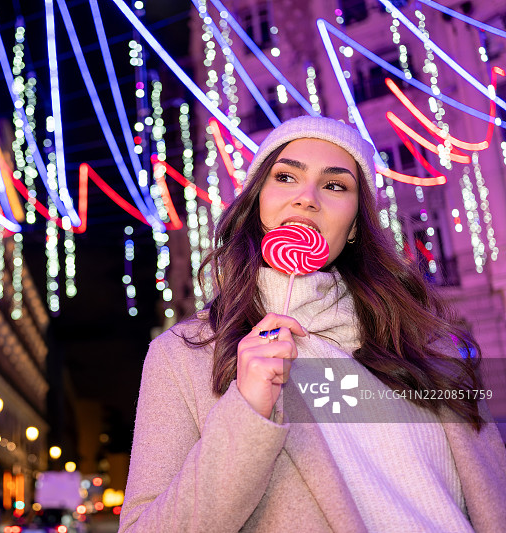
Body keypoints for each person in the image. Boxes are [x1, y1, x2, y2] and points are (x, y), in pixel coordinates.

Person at [119, 115, 506, 532]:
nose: (307, 198)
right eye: (285, 177)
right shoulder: (185, 355)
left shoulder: (429, 346)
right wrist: (247, 411)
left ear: (355, 224)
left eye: (335, 185)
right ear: (257, 204)